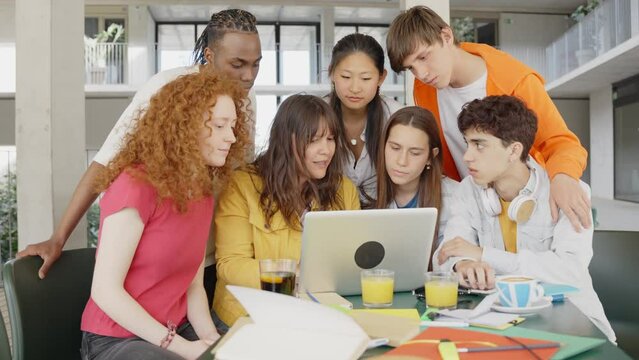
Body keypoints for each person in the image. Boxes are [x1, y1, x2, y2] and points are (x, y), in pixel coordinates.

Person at [18, 9, 262, 305]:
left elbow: (236, 178)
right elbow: (106, 162)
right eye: (237, 64)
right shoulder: (168, 87)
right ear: (209, 56)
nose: (248, 76)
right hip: (162, 260)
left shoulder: (247, 99)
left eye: (255, 65)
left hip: (210, 256)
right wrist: (58, 238)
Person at [80, 71, 250, 360]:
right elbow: (105, 291)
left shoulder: (202, 192)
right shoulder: (135, 185)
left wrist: (210, 340)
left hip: (175, 329)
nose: (231, 137)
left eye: (233, 126)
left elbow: (193, 285)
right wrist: (184, 348)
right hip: (116, 340)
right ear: (185, 128)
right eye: (220, 126)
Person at [386, 6, 591, 232]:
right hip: (474, 208)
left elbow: (561, 142)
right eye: (411, 68)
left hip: (525, 205)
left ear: (446, 36)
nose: (421, 73)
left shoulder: (516, 81)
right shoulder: (424, 87)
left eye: (424, 57)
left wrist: (563, 177)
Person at [434, 95, 615, 342]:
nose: (467, 156)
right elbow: (448, 252)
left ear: (514, 150)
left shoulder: (569, 192)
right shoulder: (468, 190)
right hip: (503, 325)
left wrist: (484, 254)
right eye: (467, 144)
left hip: (574, 325)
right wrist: (463, 263)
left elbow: (570, 271)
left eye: (479, 145)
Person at [213, 95, 360, 327]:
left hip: (318, 313)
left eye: (331, 139)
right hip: (247, 317)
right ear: (287, 141)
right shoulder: (242, 185)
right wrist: (296, 274)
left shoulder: (344, 190)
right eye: (314, 140)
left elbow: (352, 260)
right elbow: (231, 265)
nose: (326, 150)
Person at [327, 33, 403, 207]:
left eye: (366, 78)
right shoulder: (316, 116)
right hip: (330, 216)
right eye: (346, 77)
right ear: (332, 72)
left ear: (381, 78)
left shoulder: (396, 117)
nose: (355, 88)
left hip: (386, 216)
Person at [375, 106, 458, 253]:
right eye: (395, 148)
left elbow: (452, 259)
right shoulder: (369, 192)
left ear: (431, 156)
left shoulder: (456, 196)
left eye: (414, 153)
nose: (402, 161)